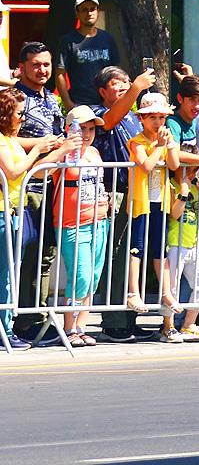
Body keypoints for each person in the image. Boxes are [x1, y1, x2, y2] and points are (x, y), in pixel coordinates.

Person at [0, 88, 72, 350]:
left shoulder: (10, 140)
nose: (22, 118)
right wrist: (37, 151)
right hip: (3, 212)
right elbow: (13, 172)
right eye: (19, 113)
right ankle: (4, 331)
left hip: (13, 212)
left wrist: (52, 145)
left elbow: (33, 157)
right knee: (4, 275)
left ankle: (6, 328)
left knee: (9, 274)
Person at [89, 66, 153, 343]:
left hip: (136, 191)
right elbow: (109, 121)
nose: (126, 86)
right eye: (118, 83)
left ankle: (129, 318)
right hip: (113, 190)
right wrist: (137, 87)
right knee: (115, 255)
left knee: (133, 254)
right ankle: (114, 322)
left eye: (128, 82)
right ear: (103, 91)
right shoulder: (98, 112)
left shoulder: (133, 117)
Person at [11, 41, 64, 341]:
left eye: (46, 64)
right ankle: (22, 320)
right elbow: (6, 138)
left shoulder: (52, 99)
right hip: (26, 186)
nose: (42, 70)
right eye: (36, 65)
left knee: (46, 254)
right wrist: (42, 145)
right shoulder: (13, 98)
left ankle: (39, 316)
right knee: (26, 254)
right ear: (22, 67)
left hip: (53, 184)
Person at [53, 106, 109, 346]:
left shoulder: (95, 152)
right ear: (69, 128)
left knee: (93, 277)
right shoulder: (63, 151)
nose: (87, 134)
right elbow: (42, 173)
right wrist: (63, 149)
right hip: (72, 223)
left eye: (91, 129)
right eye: (82, 128)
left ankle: (81, 327)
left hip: (99, 220)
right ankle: (69, 328)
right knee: (81, 276)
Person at [125, 92, 180, 317]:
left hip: (160, 202)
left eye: (161, 117)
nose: (158, 122)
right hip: (141, 202)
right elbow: (146, 166)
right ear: (141, 119)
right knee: (137, 248)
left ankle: (166, 292)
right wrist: (159, 146)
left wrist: (170, 145)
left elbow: (174, 165)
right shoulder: (137, 142)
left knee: (160, 248)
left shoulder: (165, 139)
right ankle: (133, 292)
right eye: (152, 117)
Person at [162, 153, 199, 342]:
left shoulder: (195, 187)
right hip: (175, 243)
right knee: (171, 289)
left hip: (192, 244)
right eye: (187, 169)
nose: (192, 174)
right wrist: (183, 192)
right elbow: (174, 214)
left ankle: (188, 325)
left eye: (195, 170)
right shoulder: (171, 186)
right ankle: (167, 327)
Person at [58, 0, 121, 110]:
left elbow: (116, 72)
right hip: (80, 105)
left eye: (92, 9)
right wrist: (68, 104)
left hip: (106, 104)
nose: (89, 13)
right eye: (84, 10)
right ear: (77, 13)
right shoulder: (68, 41)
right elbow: (60, 74)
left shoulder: (108, 38)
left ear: (98, 11)